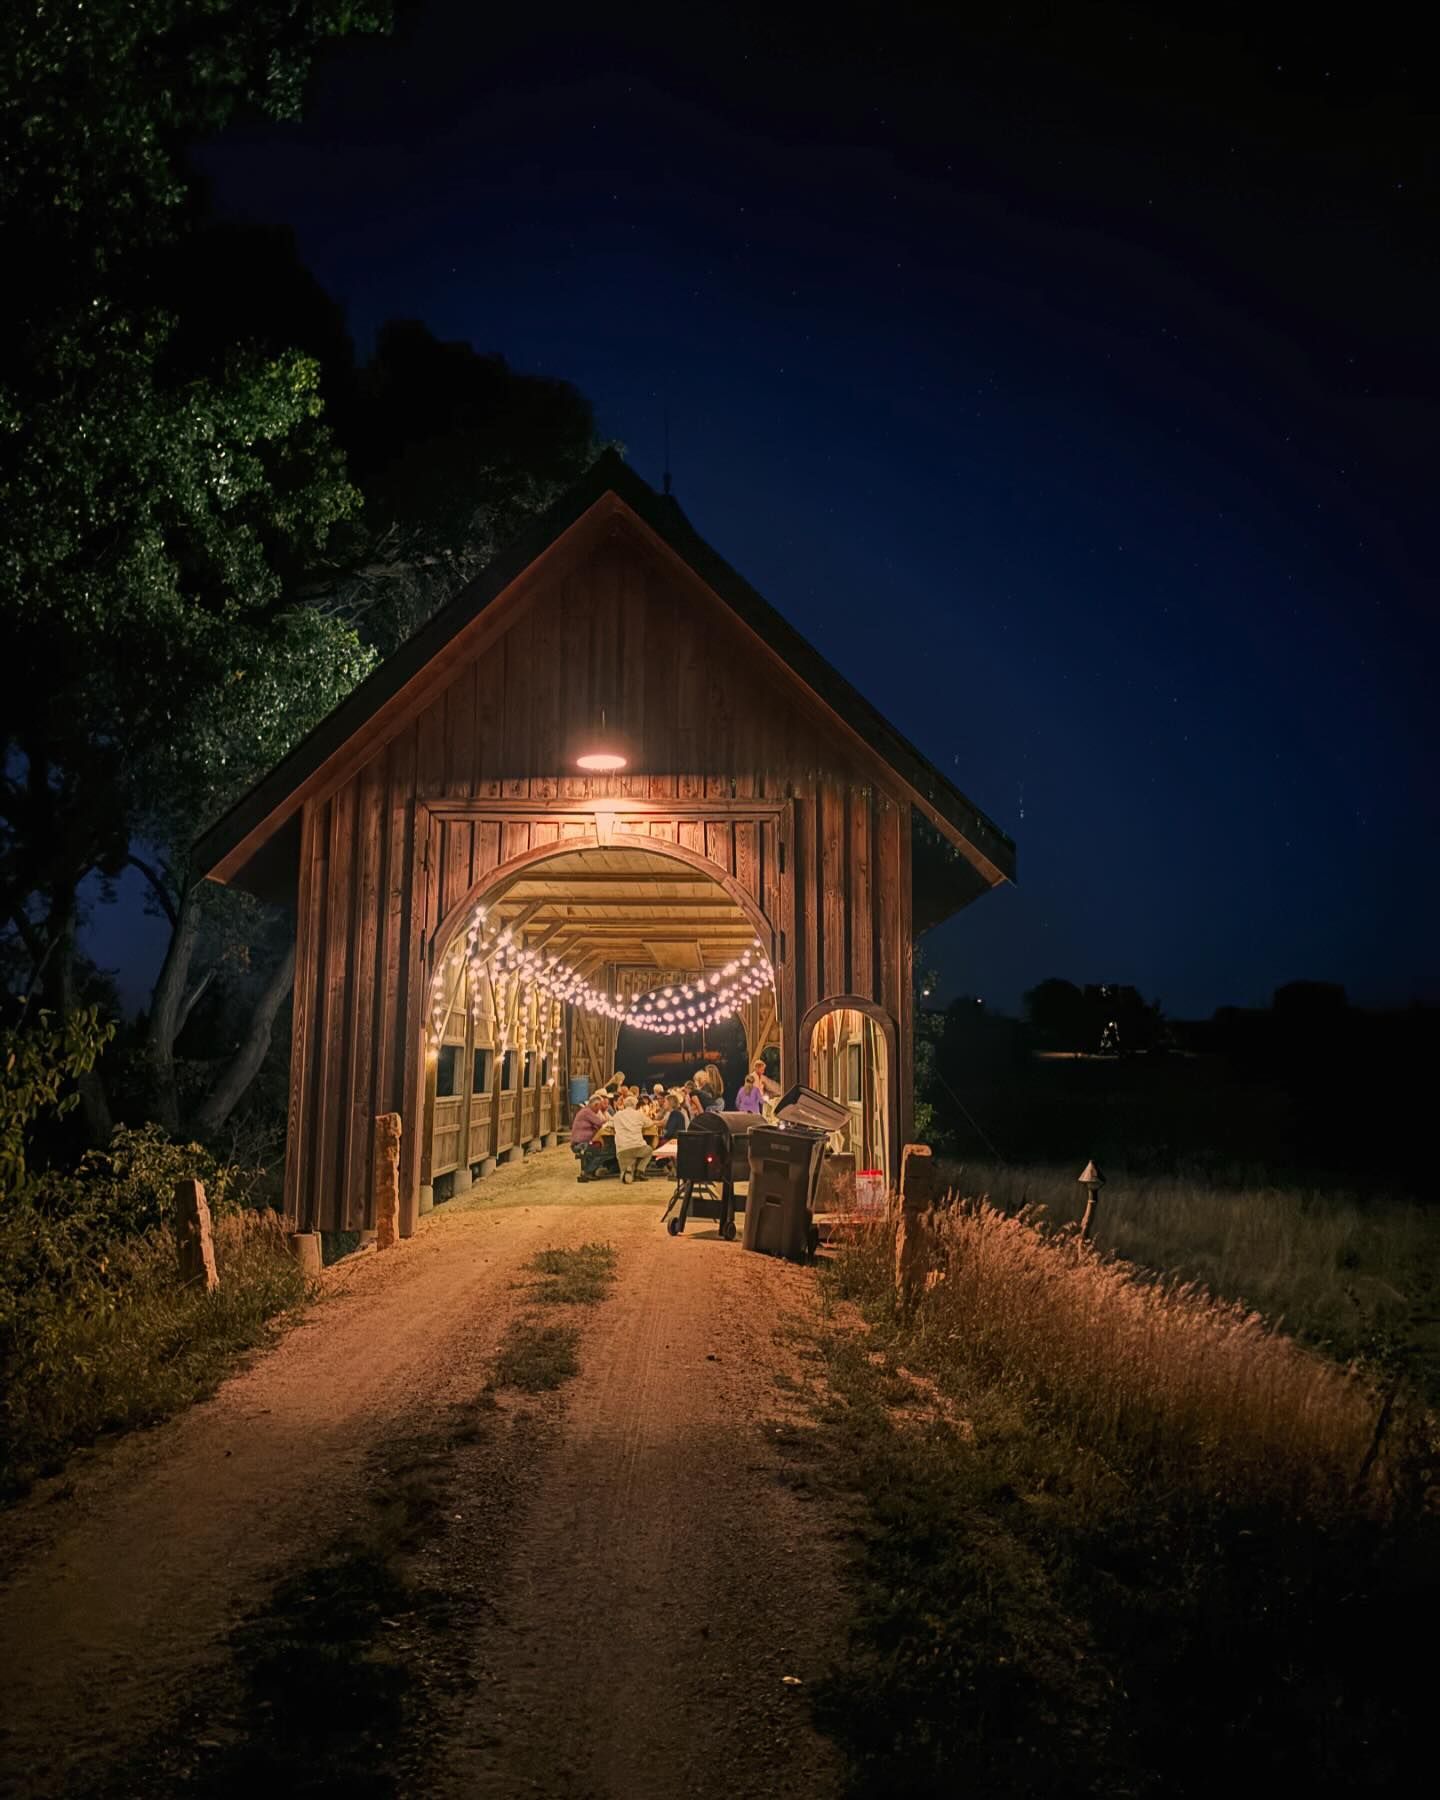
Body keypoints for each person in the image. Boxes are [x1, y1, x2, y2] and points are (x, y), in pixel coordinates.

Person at [611, 1095, 653, 1184]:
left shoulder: (617, 1115)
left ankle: (627, 1171)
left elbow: (608, 1124)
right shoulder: (639, 1114)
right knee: (649, 1150)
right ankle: (639, 1171)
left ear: (624, 1104)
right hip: (638, 1146)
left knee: (624, 1167)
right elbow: (650, 1123)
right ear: (635, 1105)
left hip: (622, 1149)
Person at [570, 1094, 608, 1183]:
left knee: (599, 1146)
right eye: (599, 1107)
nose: (599, 1110)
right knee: (601, 1149)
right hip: (580, 1144)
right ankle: (588, 1172)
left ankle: (591, 1170)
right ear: (595, 1105)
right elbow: (600, 1123)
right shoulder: (587, 1112)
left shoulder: (585, 1111)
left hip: (581, 1142)